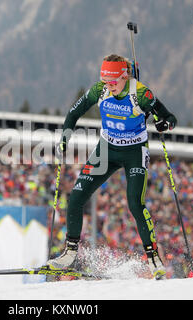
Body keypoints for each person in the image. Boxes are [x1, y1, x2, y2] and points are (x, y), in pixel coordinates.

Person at [47, 54, 177, 280]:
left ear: (125, 76)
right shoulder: (100, 90)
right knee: (76, 196)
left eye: (114, 81)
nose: (110, 86)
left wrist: (164, 123)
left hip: (135, 152)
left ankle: (154, 258)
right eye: (106, 81)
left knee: (135, 203)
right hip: (107, 150)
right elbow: (74, 112)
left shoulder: (142, 94)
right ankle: (69, 254)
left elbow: (169, 117)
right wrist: (65, 138)